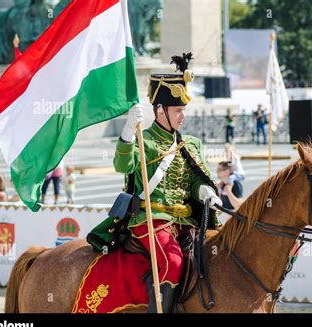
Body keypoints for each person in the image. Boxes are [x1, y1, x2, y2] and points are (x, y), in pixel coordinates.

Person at [87, 52, 221, 313]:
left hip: (186, 219)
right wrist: (127, 135)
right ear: (160, 111)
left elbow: (195, 180)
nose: (183, 116)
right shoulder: (143, 139)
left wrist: (205, 191)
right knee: (173, 260)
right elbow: (122, 166)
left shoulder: (191, 144)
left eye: (183, 110)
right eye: (177, 110)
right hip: (152, 217)